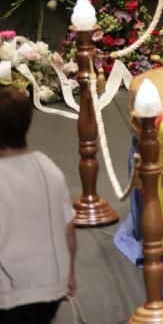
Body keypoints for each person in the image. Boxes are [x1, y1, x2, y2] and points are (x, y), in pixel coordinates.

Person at [0, 86, 76, 323]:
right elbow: (69, 231)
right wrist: (69, 274)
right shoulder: (48, 169)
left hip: (9, 294)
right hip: (50, 288)